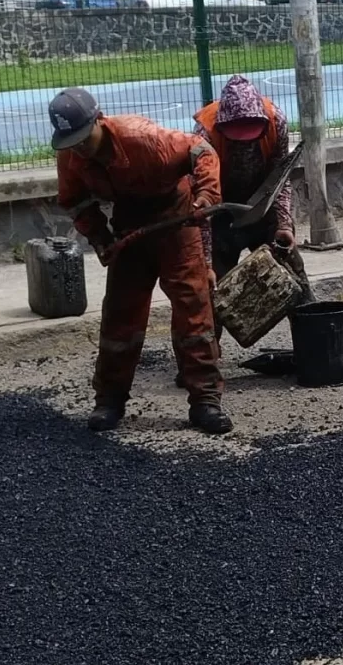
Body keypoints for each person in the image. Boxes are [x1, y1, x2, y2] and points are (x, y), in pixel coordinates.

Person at [51, 87, 233, 435]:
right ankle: (109, 401)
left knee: (193, 311)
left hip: (175, 220)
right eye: (70, 141)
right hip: (129, 226)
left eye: (83, 138)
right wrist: (101, 238)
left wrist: (207, 193)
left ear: (99, 121)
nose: (79, 147)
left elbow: (202, 150)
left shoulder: (146, 139)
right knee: (120, 315)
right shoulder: (70, 156)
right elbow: (74, 201)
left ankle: (206, 402)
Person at [194, 75, 314, 326]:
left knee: (293, 269)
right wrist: (205, 262)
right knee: (212, 290)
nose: (245, 144)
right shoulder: (204, 134)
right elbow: (201, 202)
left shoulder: (276, 121)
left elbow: (279, 177)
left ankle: (313, 339)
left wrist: (283, 224)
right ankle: (208, 360)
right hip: (220, 214)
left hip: (262, 205)